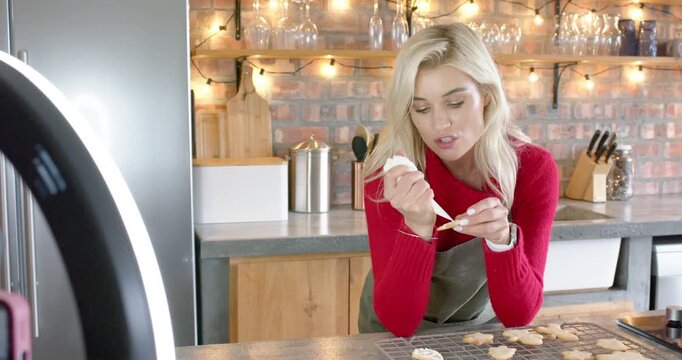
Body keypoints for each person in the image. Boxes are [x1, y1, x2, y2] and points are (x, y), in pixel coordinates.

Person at [358, 23, 559, 338]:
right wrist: (416, 227)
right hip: (390, 341)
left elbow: (519, 316)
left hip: (481, 337)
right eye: (421, 108)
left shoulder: (532, 170)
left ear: (486, 96)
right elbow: (398, 321)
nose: (440, 123)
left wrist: (501, 239)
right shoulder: (391, 176)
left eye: (455, 103)